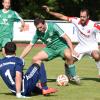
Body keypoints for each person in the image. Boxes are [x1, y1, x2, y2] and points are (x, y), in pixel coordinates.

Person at [42, 5, 100, 77]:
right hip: (81, 47)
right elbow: (62, 17)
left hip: (92, 47)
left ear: (88, 17)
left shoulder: (93, 25)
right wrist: (50, 12)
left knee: (96, 55)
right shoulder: (76, 20)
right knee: (68, 60)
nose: (82, 18)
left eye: (84, 17)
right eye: (81, 16)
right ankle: (68, 76)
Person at [20, 17, 80, 84]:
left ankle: (73, 75)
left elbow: (67, 38)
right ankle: (36, 79)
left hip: (62, 47)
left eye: (41, 27)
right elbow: (30, 45)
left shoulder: (53, 26)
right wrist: (20, 58)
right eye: (38, 28)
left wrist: (72, 50)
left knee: (69, 55)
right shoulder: (37, 33)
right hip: (50, 49)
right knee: (35, 59)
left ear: (44, 23)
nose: (39, 29)